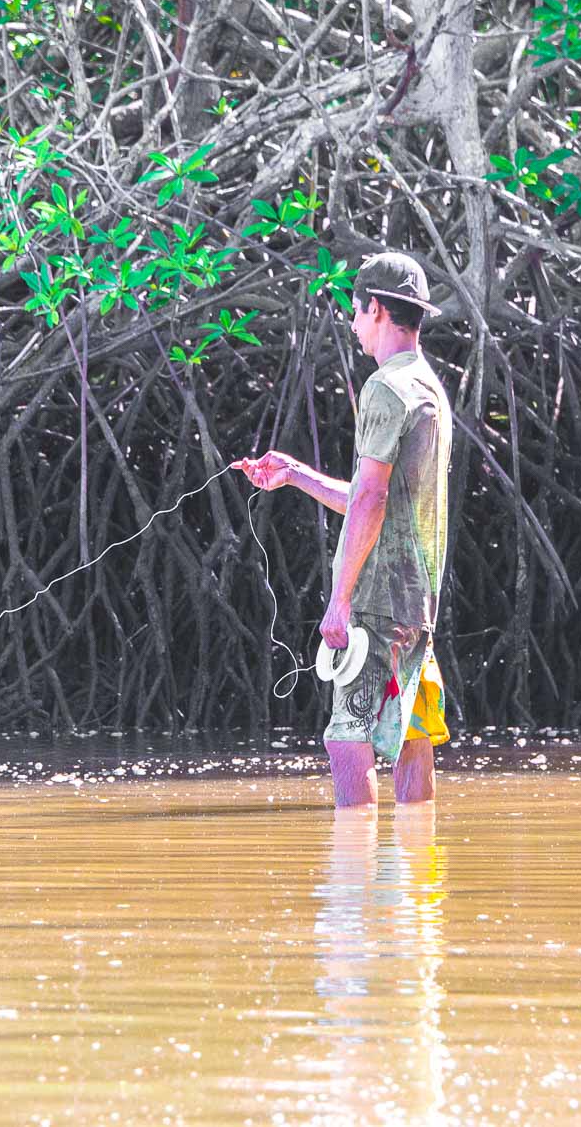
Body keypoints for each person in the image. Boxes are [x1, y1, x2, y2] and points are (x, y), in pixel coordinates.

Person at [232, 252, 454, 808]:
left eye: (355, 313)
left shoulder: (384, 387)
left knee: (346, 738)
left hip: (376, 601)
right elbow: (375, 499)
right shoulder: (428, 387)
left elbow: (372, 500)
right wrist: (296, 475)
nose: (353, 327)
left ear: (376, 309)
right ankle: (412, 884)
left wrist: (339, 601)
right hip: (417, 605)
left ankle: (355, 886)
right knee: (412, 735)